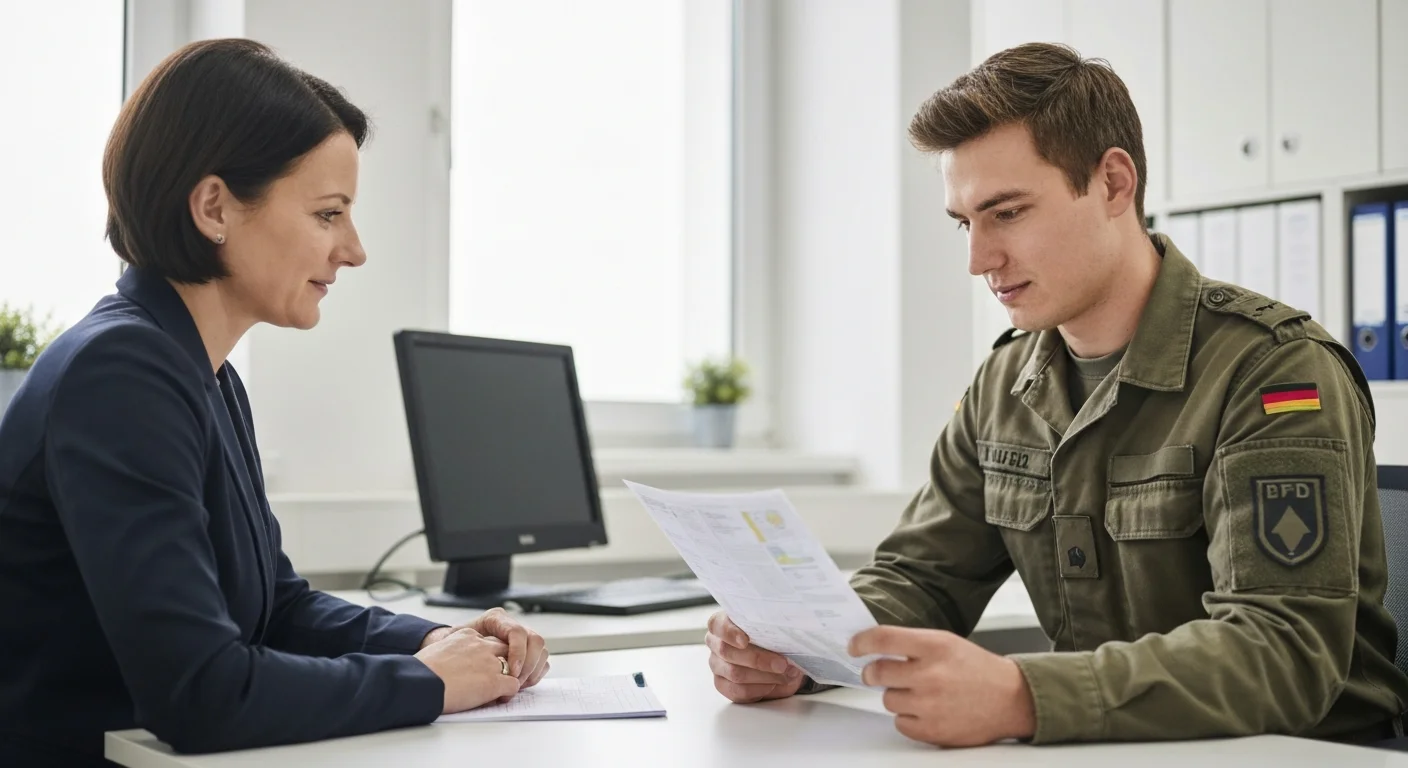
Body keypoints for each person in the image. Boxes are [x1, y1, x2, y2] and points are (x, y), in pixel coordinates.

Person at [705, 42, 1408, 747]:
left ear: (1112, 184)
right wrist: (797, 649)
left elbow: (1282, 652)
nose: (979, 259)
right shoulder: (1005, 383)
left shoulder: (1274, 370)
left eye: (1007, 213)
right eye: (965, 222)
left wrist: (1024, 695)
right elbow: (923, 578)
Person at [0, 39, 549, 767]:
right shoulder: (121, 372)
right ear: (214, 206)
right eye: (328, 214)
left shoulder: (204, 374)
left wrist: (434, 642)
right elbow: (202, 694)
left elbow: (275, 608)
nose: (353, 250)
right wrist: (425, 681)